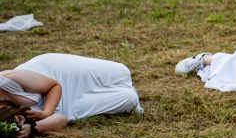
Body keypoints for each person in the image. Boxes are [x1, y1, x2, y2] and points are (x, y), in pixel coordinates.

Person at [5, 53, 142, 122]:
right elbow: (58, 122)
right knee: (130, 99)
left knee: (121, 72)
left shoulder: (8, 79)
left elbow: (54, 86)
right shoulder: (8, 121)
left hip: (57, 73)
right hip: (66, 109)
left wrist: (46, 113)